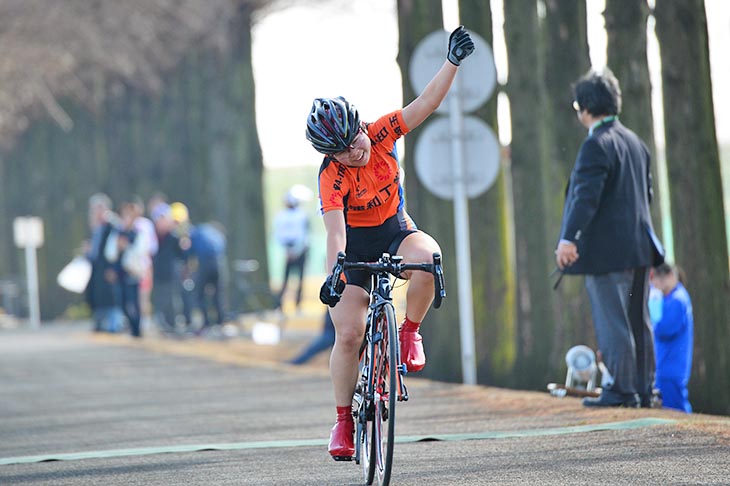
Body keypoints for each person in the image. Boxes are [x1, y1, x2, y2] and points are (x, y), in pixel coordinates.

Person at [306, 26, 474, 460]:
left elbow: (427, 104)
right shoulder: (331, 177)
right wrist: (335, 276)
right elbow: (335, 232)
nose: (354, 153)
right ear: (329, 156)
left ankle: (409, 332)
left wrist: (451, 62)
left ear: (362, 125)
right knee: (348, 334)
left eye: (355, 141)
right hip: (354, 249)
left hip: (395, 231)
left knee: (429, 259)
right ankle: (343, 423)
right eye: (341, 152)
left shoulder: (381, 133)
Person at [555, 68, 663, 408]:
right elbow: (647, 195)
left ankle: (620, 388)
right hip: (640, 248)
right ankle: (644, 389)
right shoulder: (636, 143)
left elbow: (584, 198)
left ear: (586, 108)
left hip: (607, 254)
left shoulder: (595, 145)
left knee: (612, 320)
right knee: (638, 321)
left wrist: (569, 239)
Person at [649, 263, 693, 413]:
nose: (654, 285)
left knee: (675, 411)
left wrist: (653, 310)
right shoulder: (672, 298)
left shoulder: (676, 300)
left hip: (670, 367)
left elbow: (663, 330)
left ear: (668, 277)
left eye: (656, 280)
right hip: (668, 367)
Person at [84, 193, 124, 333]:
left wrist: (114, 268)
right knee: (98, 297)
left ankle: (115, 324)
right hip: (97, 270)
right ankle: (100, 323)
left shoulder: (113, 225)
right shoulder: (96, 228)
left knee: (111, 297)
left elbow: (117, 248)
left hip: (109, 269)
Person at [273, 188, 310, 313]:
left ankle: (298, 305)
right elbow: (279, 234)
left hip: (299, 249)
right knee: (286, 279)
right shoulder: (282, 216)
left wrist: (295, 250)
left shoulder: (301, 215)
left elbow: (304, 235)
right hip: (289, 249)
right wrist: (288, 250)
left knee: (299, 279)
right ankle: (279, 304)